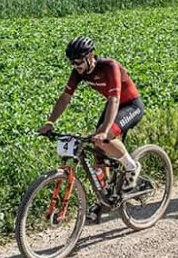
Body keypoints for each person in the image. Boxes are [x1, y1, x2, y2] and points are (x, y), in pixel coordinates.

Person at [40, 36, 145, 223]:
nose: (76, 65)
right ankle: (104, 199)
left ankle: (132, 166)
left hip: (130, 105)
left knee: (106, 139)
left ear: (90, 56)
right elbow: (65, 98)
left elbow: (114, 99)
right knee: (98, 153)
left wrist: (104, 131)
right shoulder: (78, 72)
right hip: (113, 106)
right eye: (72, 62)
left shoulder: (109, 66)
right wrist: (50, 122)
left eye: (79, 61)